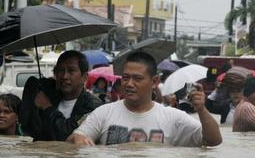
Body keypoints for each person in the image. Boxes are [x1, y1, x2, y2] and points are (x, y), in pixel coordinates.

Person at [67, 51, 222, 147]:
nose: (129, 84)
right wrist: (78, 140)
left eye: (137, 79)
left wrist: (201, 109)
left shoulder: (173, 118)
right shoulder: (104, 113)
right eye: (125, 78)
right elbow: (75, 138)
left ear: (154, 82)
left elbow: (214, 141)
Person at [20, 50, 103, 141]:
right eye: (60, 70)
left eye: (71, 71)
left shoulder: (93, 106)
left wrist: (47, 108)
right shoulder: (48, 95)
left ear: (84, 77)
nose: (64, 76)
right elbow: (29, 129)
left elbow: (67, 136)